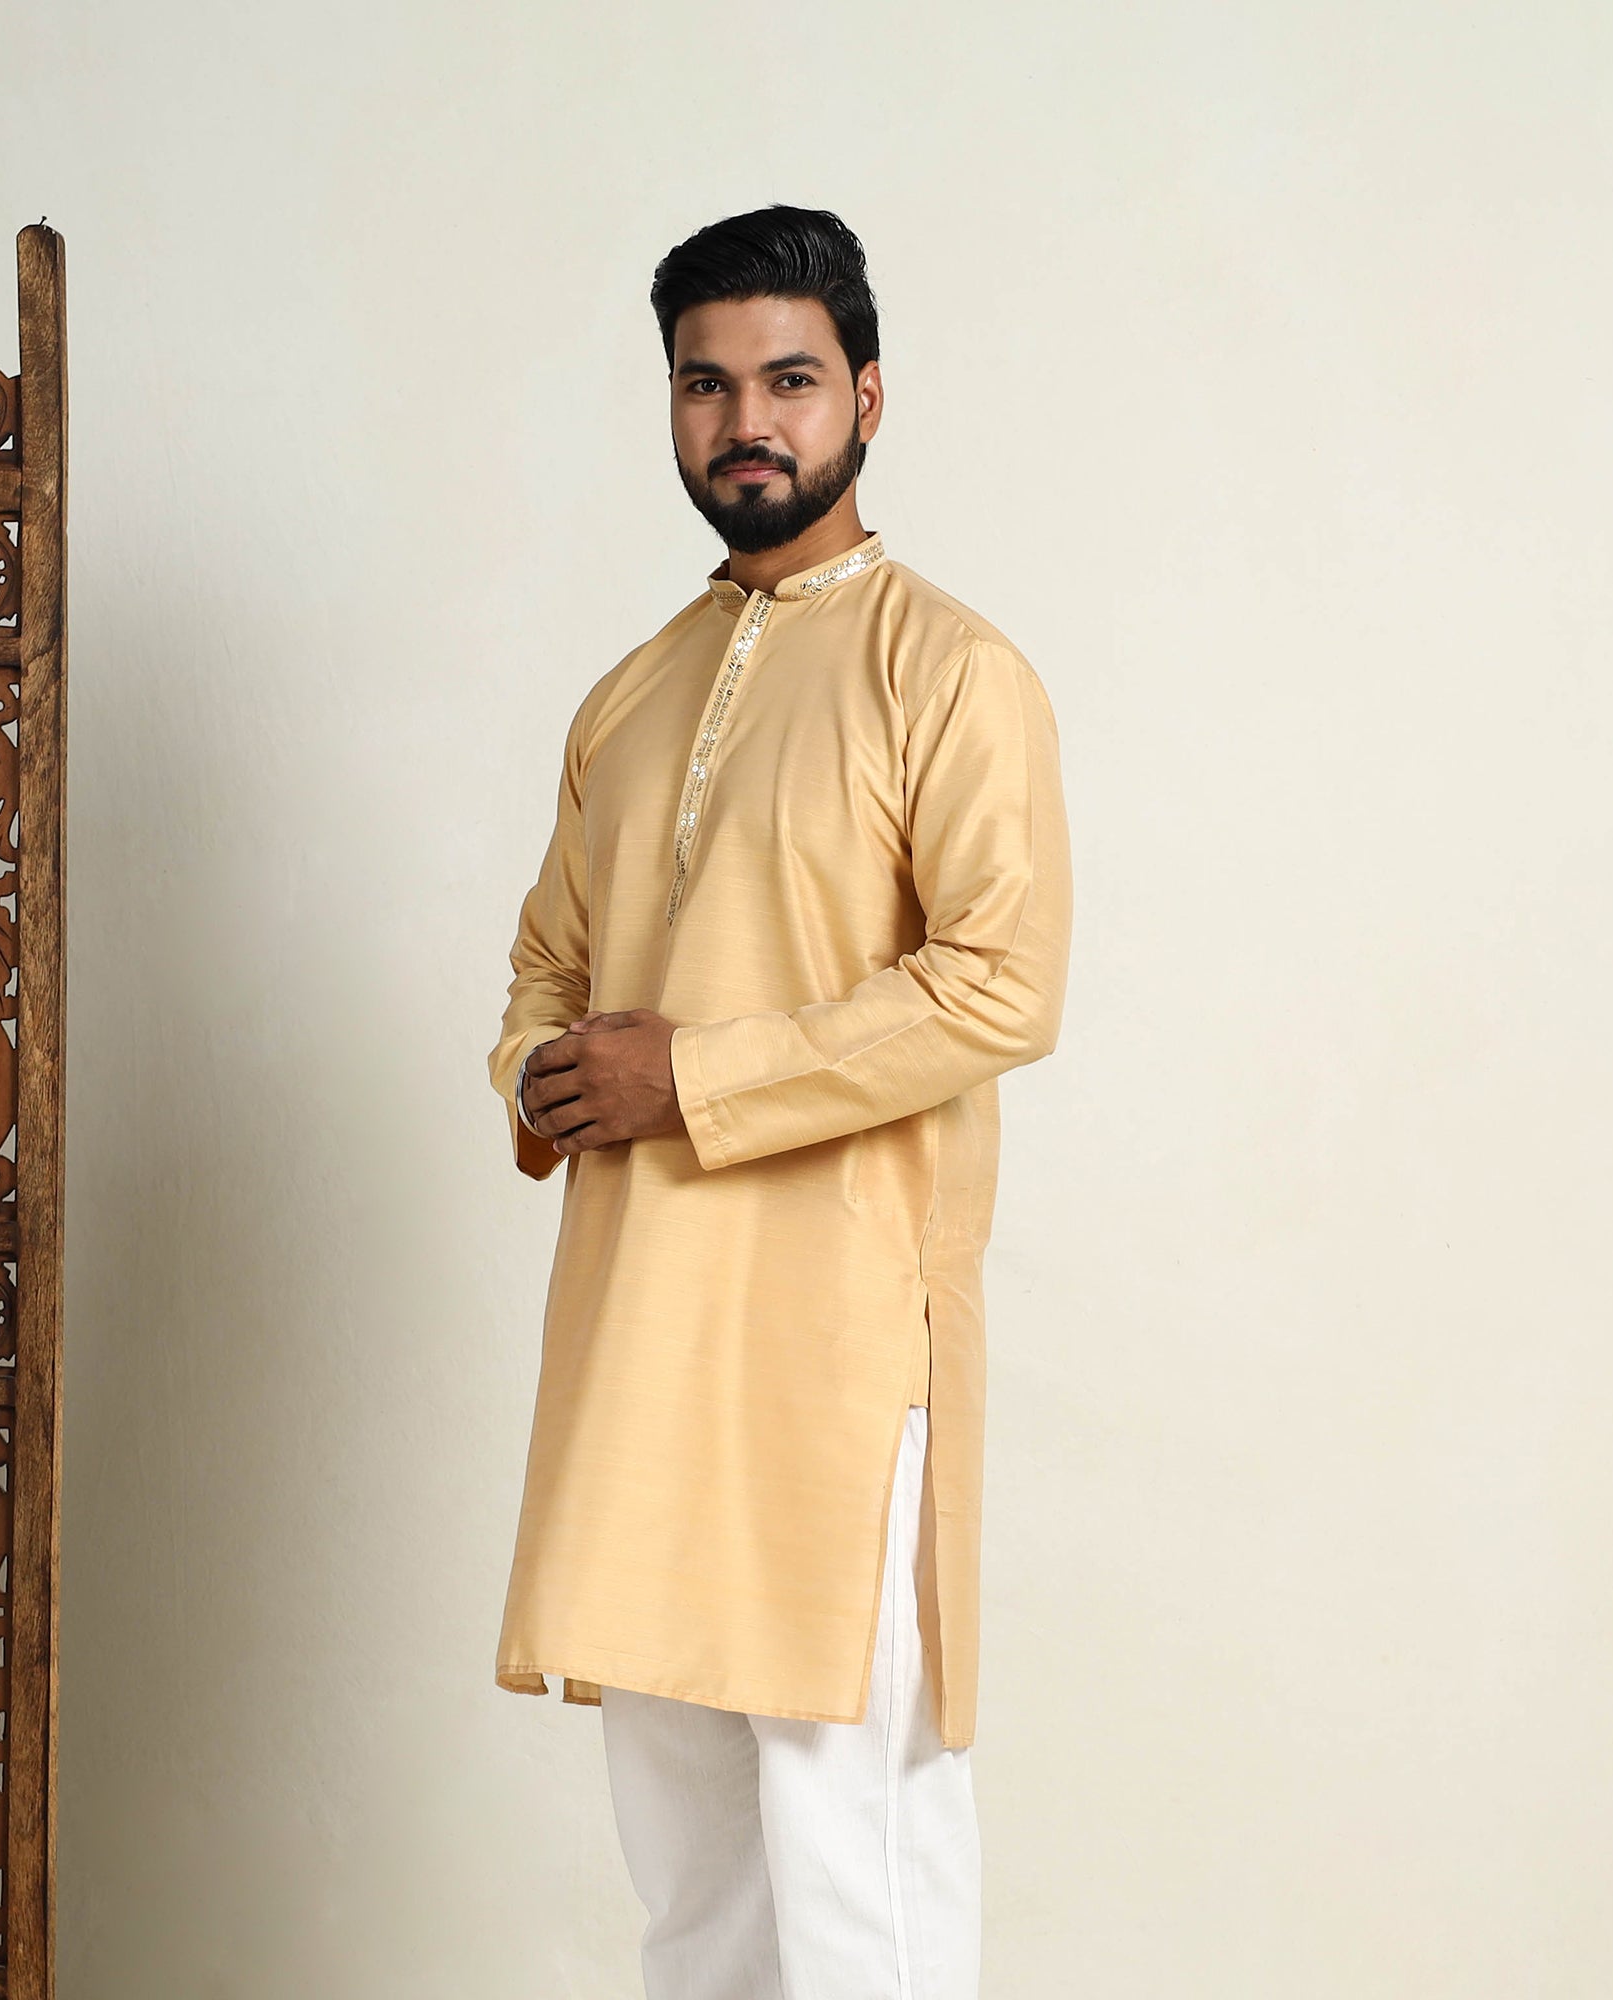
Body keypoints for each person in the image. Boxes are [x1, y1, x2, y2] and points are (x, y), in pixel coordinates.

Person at [487, 203, 1072, 2000]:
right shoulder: (630, 697)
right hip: (638, 1336)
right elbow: (544, 970)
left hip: (837, 1348)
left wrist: (689, 1079)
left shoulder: (948, 672)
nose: (747, 421)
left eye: (790, 380)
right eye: (707, 385)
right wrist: (545, 1077)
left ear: (867, 398)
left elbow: (1000, 983)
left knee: (855, 1860)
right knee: (692, 1881)